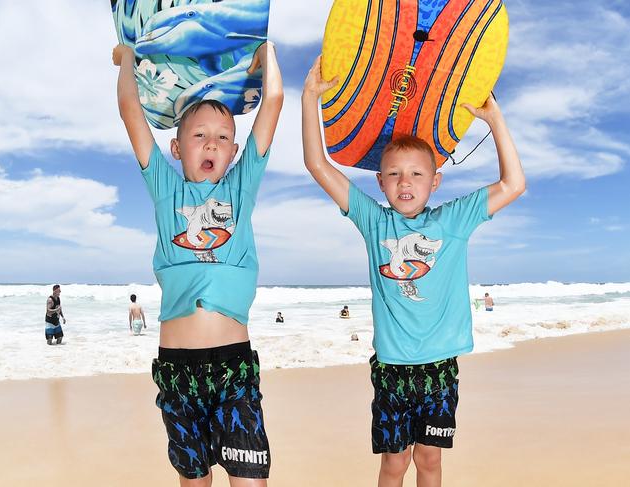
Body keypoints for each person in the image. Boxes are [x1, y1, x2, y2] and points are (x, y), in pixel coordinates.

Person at [302, 56, 525, 487]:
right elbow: (318, 165)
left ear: (435, 181)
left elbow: (513, 183)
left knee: (429, 462)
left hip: (440, 368)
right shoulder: (374, 221)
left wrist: (495, 119)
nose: (406, 182)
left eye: (417, 174)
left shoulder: (454, 221)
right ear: (380, 183)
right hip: (391, 370)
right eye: (394, 174)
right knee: (393, 465)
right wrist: (310, 98)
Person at [113, 40, 283, 485]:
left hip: (233, 366)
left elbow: (274, 103)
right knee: (195, 481)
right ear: (176, 147)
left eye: (224, 138)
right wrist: (127, 59)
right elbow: (132, 113)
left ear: (233, 152)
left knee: (251, 480)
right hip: (177, 370)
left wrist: (267, 57)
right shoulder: (167, 191)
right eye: (200, 135)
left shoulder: (239, 191)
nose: (212, 143)